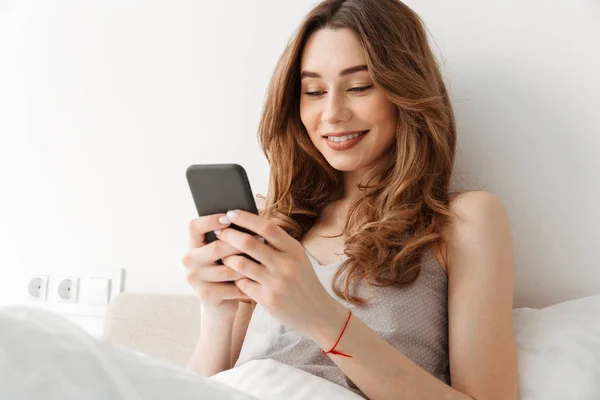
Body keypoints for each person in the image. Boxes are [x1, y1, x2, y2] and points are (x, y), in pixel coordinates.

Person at [182, 0, 519, 399]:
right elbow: (201, 388)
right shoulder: (277, 226)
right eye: (314, 91)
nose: (332, 113)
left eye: (359, 87)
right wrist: (218, 314)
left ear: (404, 91)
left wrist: (320, 315)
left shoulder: (463, 219)